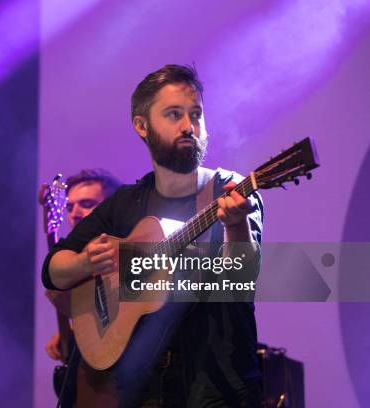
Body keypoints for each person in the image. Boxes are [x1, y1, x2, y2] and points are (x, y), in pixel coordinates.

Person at [42, 65, 264, 407]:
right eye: (174, 114)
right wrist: (85, 262)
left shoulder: (229, 189)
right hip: (141, 393)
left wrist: (236, 226)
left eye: (196, 114)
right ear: (141, 125)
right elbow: (53, 270)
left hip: (215, 388)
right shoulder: (126, 203)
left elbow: (240, 282)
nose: (189, 126)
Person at [45, 168, 122, 407]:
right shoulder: (74, 262)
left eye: (87, 204)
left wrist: (72, 309)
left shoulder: (128, 253)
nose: (75, 214)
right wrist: (71, 331)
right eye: (69, 207)